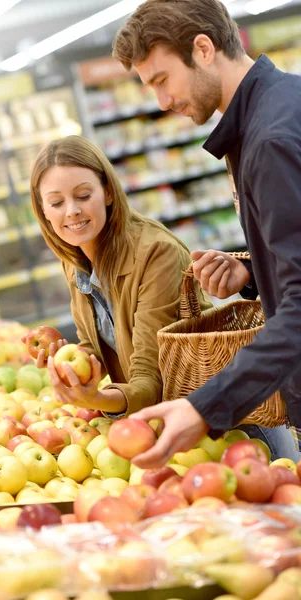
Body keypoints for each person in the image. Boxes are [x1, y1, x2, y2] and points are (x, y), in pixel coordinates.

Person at [112, 0, 301, 466]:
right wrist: (253, 272)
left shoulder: (269, 140)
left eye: (161, 80)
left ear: (203, 48)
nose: (161, 102)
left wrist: (205, 406)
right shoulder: (280, 105)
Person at [30, 135, 211, 416]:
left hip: (219, 421)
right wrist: (72, 364)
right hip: (163, 424)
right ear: (43, 210)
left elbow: (150, 379)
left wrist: (95, 399)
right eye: (56, 202)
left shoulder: (156, 253)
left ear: (109, 192)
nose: (72, 210)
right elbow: (102, 344)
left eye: (83, 195)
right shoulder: (75, 257)